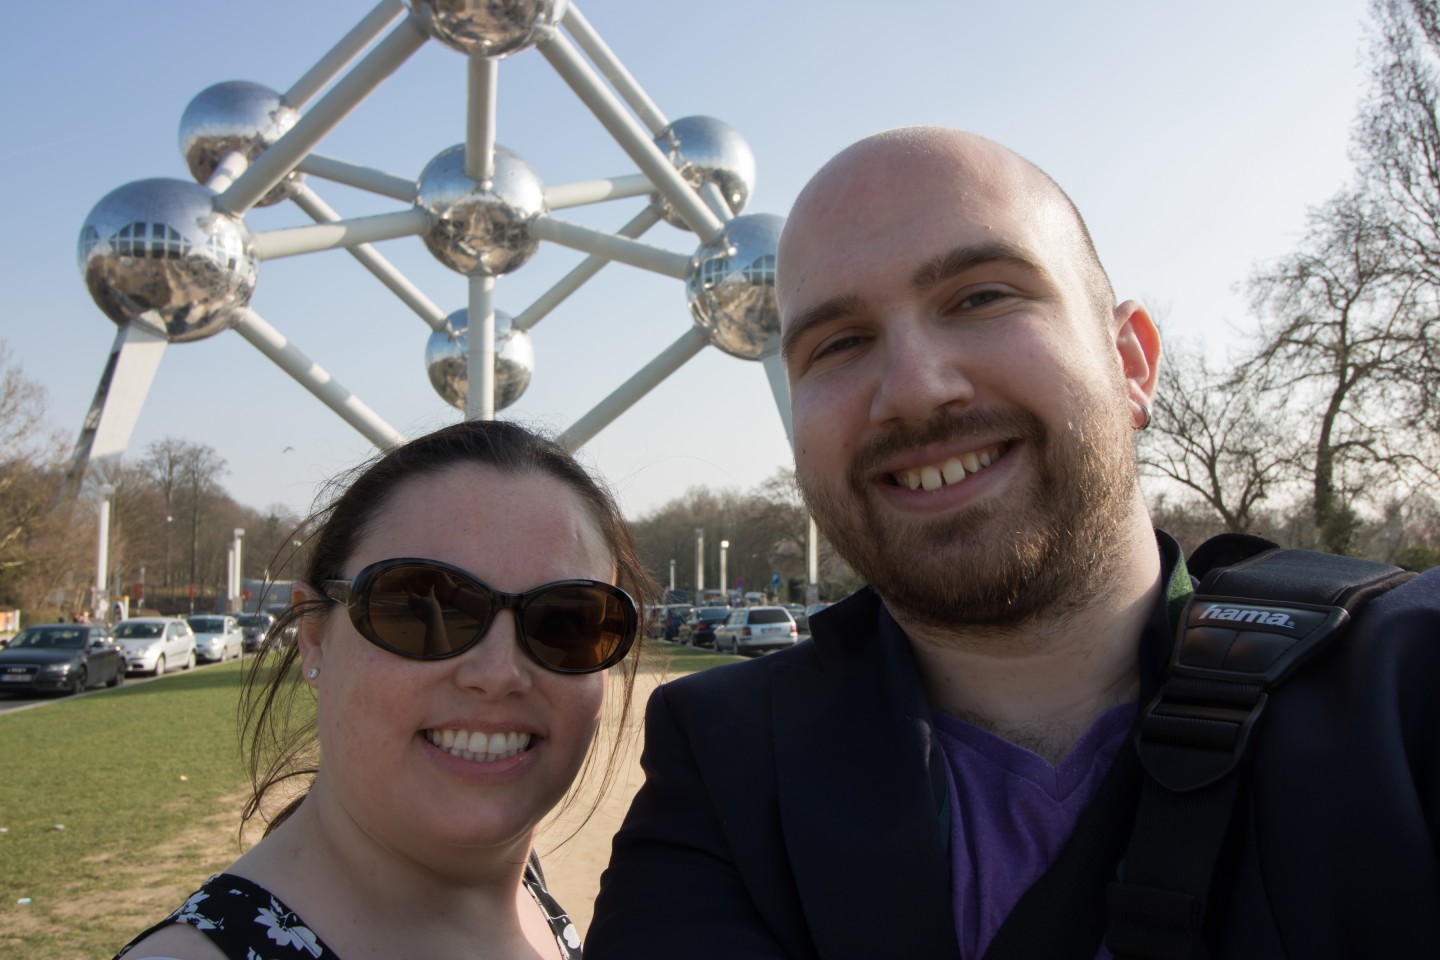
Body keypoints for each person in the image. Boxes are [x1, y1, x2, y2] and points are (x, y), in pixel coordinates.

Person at [586, 127, 1440, 959]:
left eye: (982, 297)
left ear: (1131, 361)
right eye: (839, 343)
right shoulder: (725, 766)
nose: (914, 391)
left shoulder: (1407, 685)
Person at [117, 419, 655, 960]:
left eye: (567, 622)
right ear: (314, 636)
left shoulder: (538, 904)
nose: (498, 674)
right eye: (424, 610)